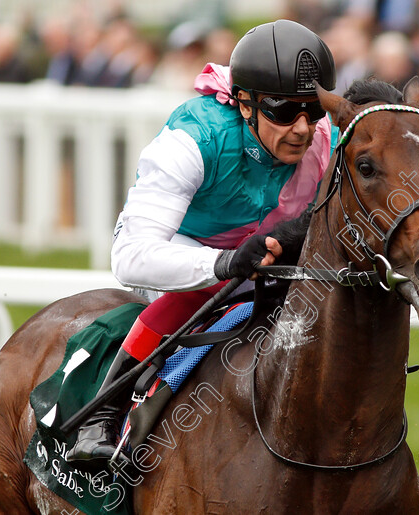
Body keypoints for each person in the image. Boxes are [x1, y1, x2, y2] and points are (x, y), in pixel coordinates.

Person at [66, 19, 338, 465]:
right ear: (245, 104)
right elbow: (130, 257)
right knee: (222, 288)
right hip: (178, 246)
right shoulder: (195, 138)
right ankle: (104, 411)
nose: (303, 129)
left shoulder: (325, 142)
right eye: (285, 112)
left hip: (254, 251)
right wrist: (225, 263)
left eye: (314, 111)